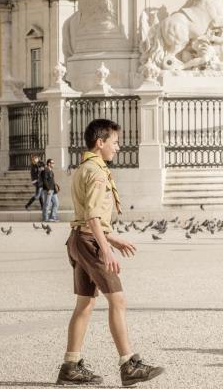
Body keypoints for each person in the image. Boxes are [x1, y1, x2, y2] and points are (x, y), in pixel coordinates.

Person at [56, 118, 163, 386]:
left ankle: (70, 366)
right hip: (91, 242)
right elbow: (92, 216)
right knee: (118, 301)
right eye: (114, 142)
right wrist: (106, 250)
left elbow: (87, 217)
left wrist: (114, 240)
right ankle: (129, 364)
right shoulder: (97, 172)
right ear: (100, 142)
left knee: (85, 303)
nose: (118, 147)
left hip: (80, 239)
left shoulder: (84, 167)